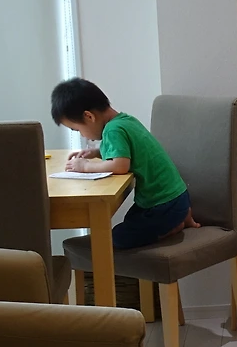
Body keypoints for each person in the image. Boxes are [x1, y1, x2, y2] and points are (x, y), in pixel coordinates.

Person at [50, 78, 200, 249]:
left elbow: (120, 166)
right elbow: (127, 150)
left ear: (88, 116)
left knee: (116, 239)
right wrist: (96, 152)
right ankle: (179, 217)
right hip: (176, 197)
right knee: (130, 220)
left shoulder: (113, 130)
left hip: (163, 206)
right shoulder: (125, 121)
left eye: (77, 130)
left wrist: (84, 167)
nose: (82, 135)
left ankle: (171, 228)